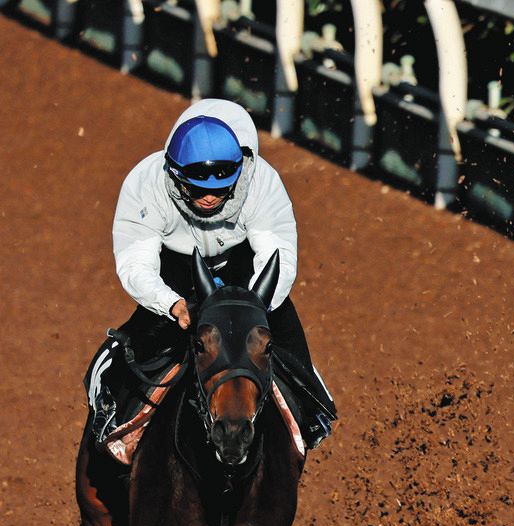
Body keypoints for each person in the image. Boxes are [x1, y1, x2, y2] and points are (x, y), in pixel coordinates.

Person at [85, 98, 336, 450]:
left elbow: (278, 257)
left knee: (288, 341)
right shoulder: (145, 184)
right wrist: (171, 304)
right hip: (176, 271)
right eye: (198, 188)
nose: (209, 198)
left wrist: (253, 307)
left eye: (221, 189)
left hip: (243, 270)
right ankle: (107, 406)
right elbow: (136, 263)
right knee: (131, 345)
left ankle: (313, 411)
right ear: (174, 174)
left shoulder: (262, 182)